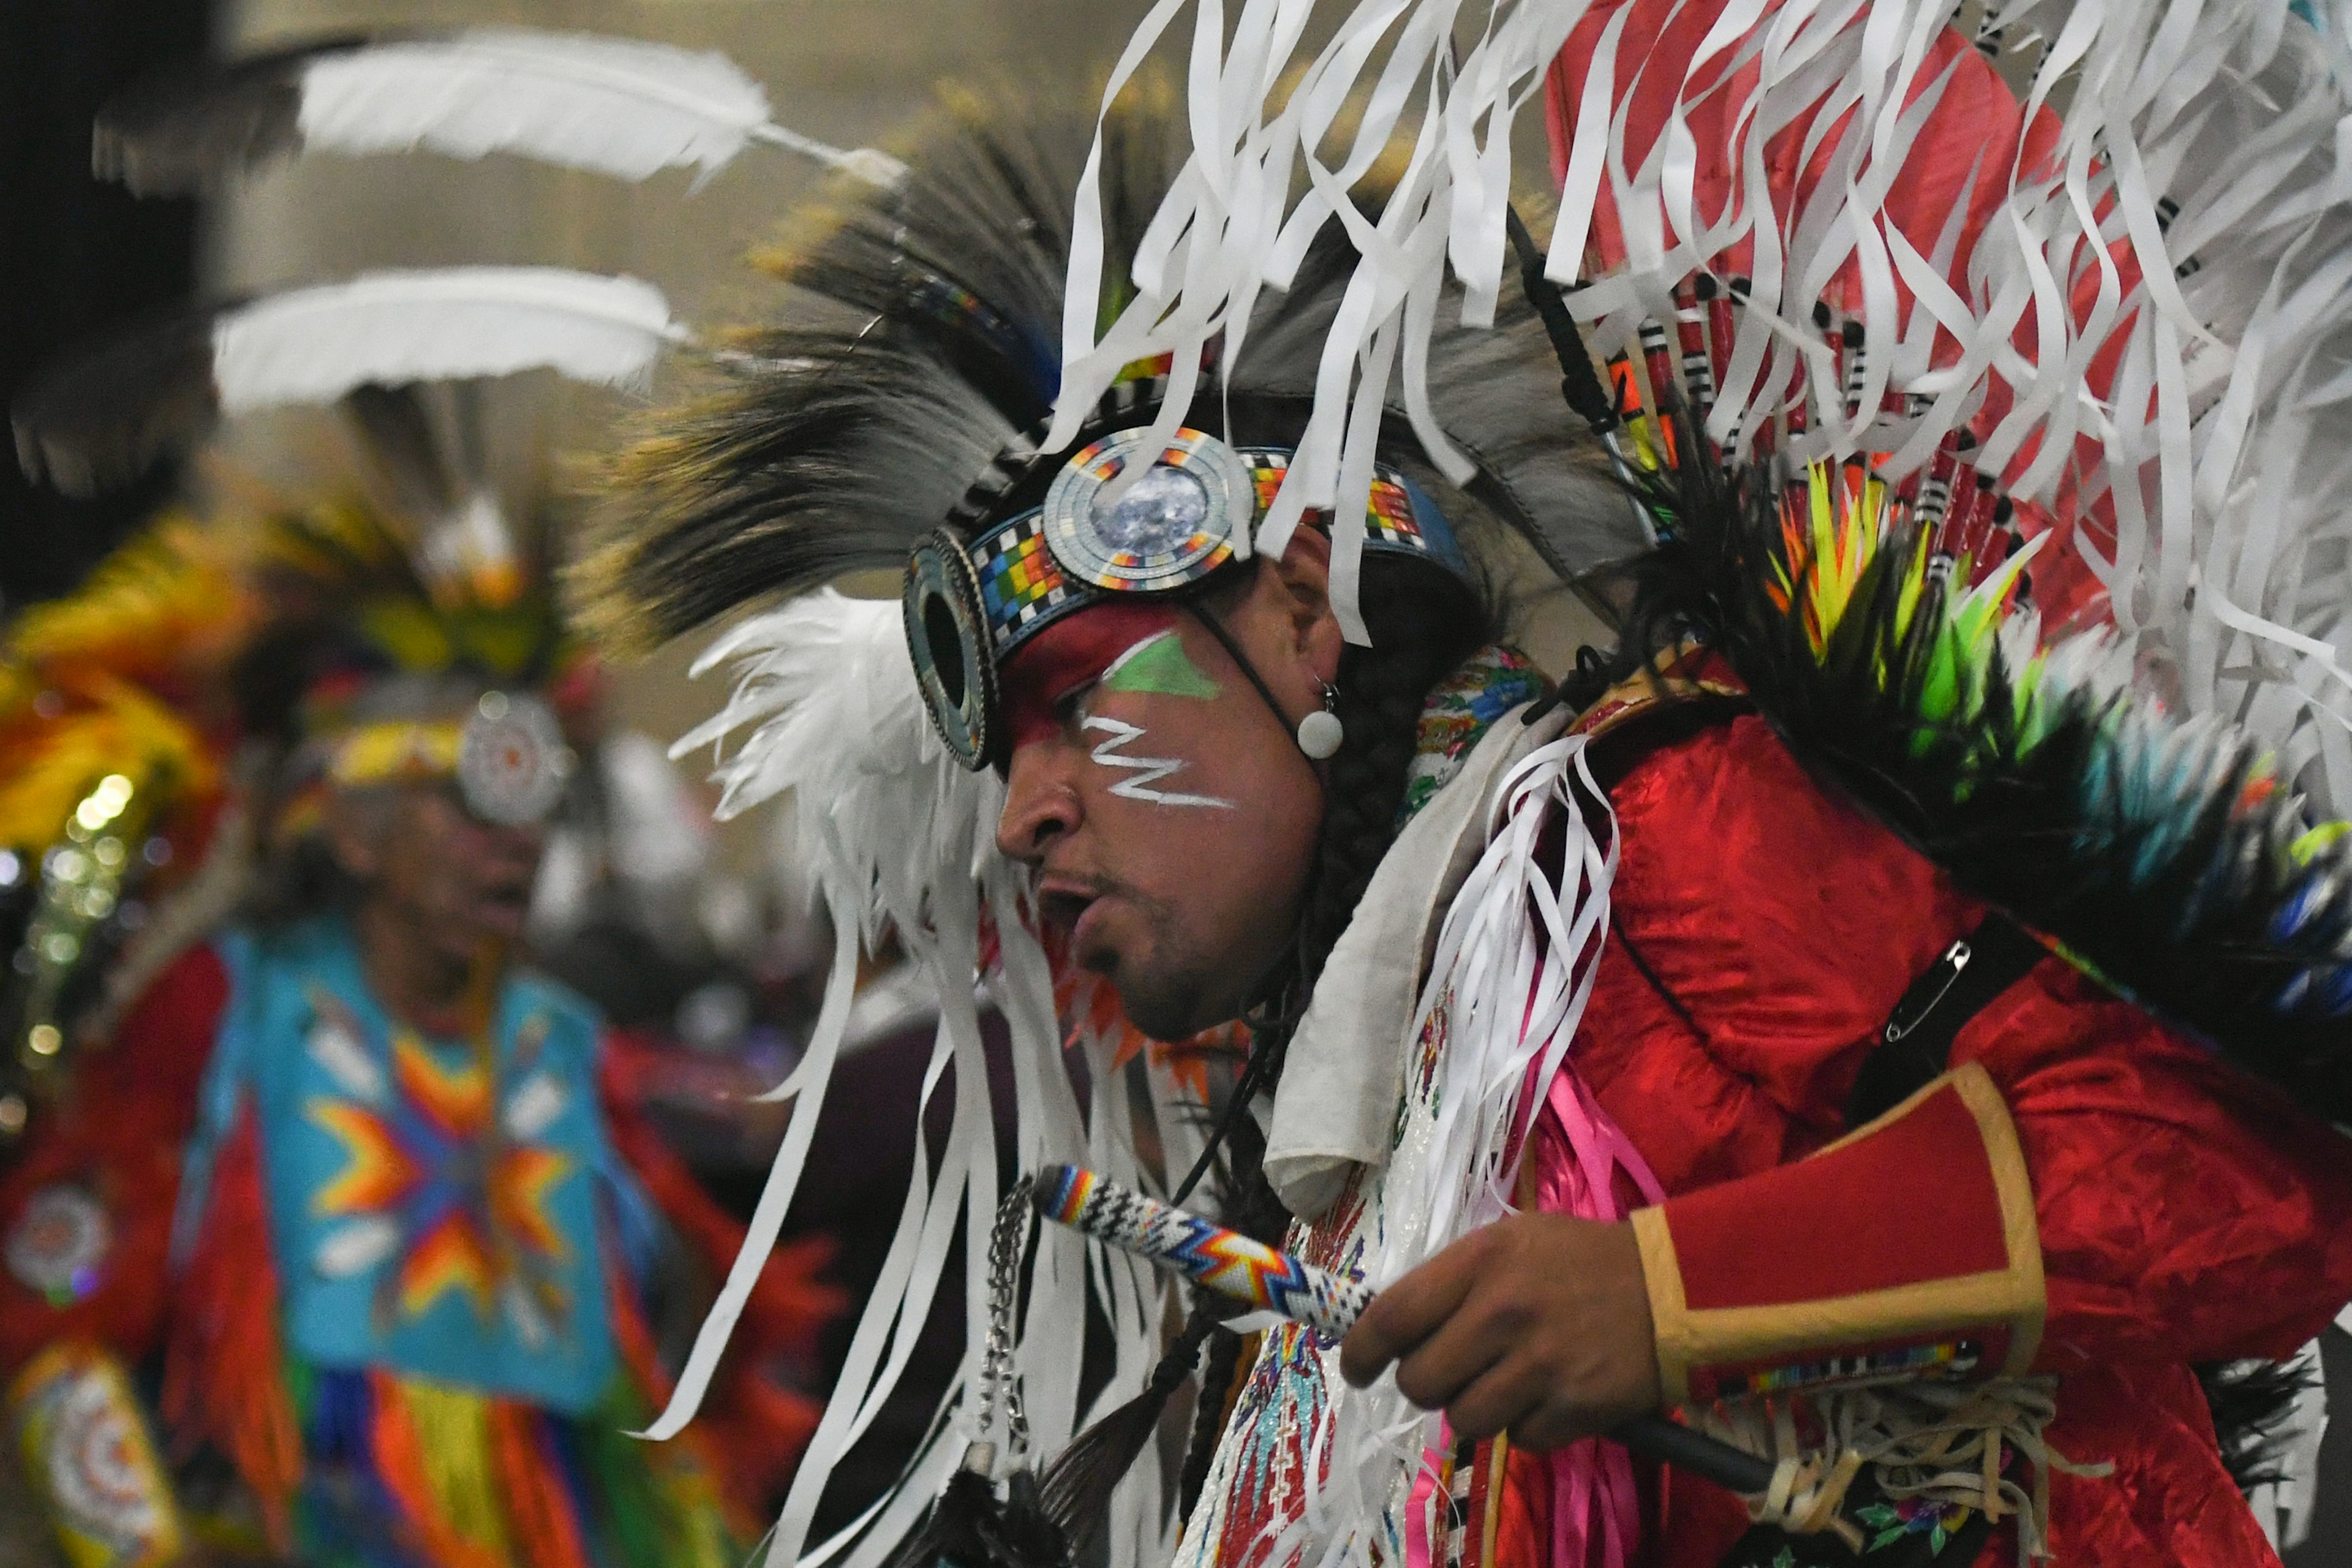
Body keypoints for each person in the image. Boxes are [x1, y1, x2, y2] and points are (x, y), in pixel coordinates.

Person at [576, 59, 2352, 1568]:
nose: (1029, 813)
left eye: (1076, 707)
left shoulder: (1653, 833)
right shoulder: (1342, 1130)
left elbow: (2249, 1179)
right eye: (1007, 758)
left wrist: (1671, 1291)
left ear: (1296, 614)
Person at [0, 448, 839, 1567]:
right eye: (464, 799)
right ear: (349, 829)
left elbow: (678, 1393)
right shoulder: (220, 1015)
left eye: (538, 804)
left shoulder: (568, 1054)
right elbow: (57, 1321)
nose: (515, 843)